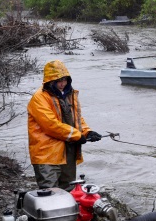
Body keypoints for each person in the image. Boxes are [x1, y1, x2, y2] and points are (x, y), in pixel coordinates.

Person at [27, 60, 102, 190]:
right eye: (59, 81)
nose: (62, 84)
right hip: (47, 154)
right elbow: (50, 125)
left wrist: (87, 132)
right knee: (49, 191)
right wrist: (77, 135)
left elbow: (76, 118)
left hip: (68, 151)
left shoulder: (69, 95)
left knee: (69, 189)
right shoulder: (39, 98)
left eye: (65, 80)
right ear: (50, 81)